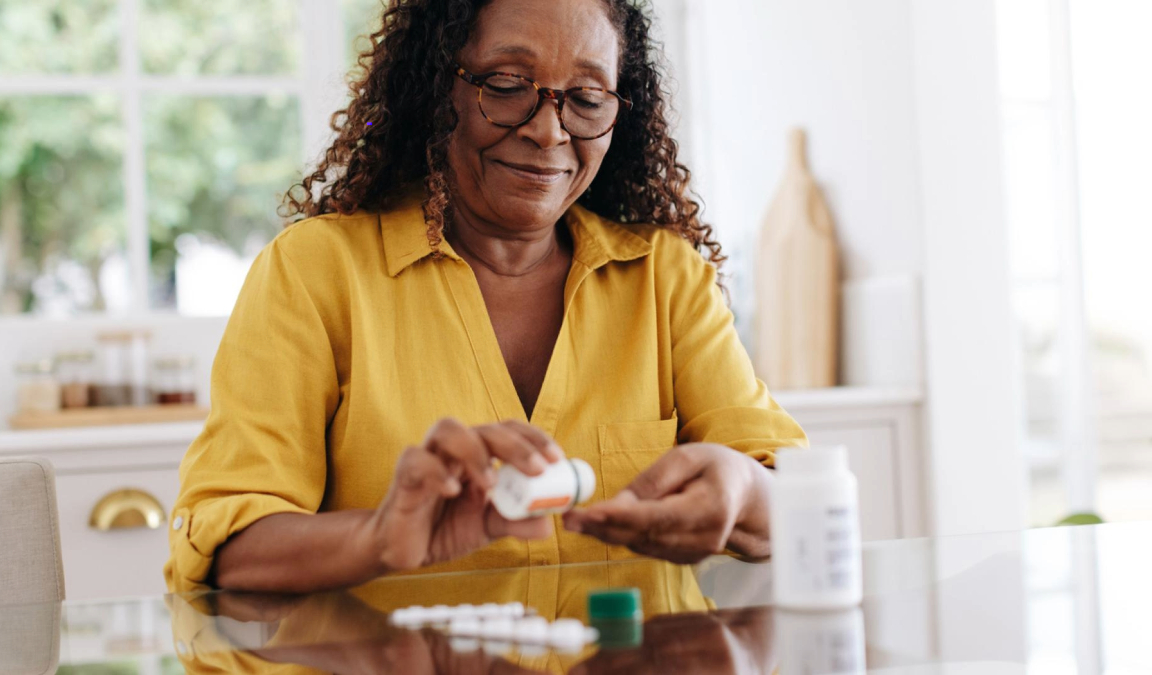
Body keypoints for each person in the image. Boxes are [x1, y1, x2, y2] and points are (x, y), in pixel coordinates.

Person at [164, 0, 807, 595]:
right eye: (506, 86)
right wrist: (381, 537)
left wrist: (745, 491)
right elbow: (228, 550)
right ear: (437, 88)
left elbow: (798, 500)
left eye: (585, 98)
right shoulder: (317, 272)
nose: (549, 131)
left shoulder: (665, 277)